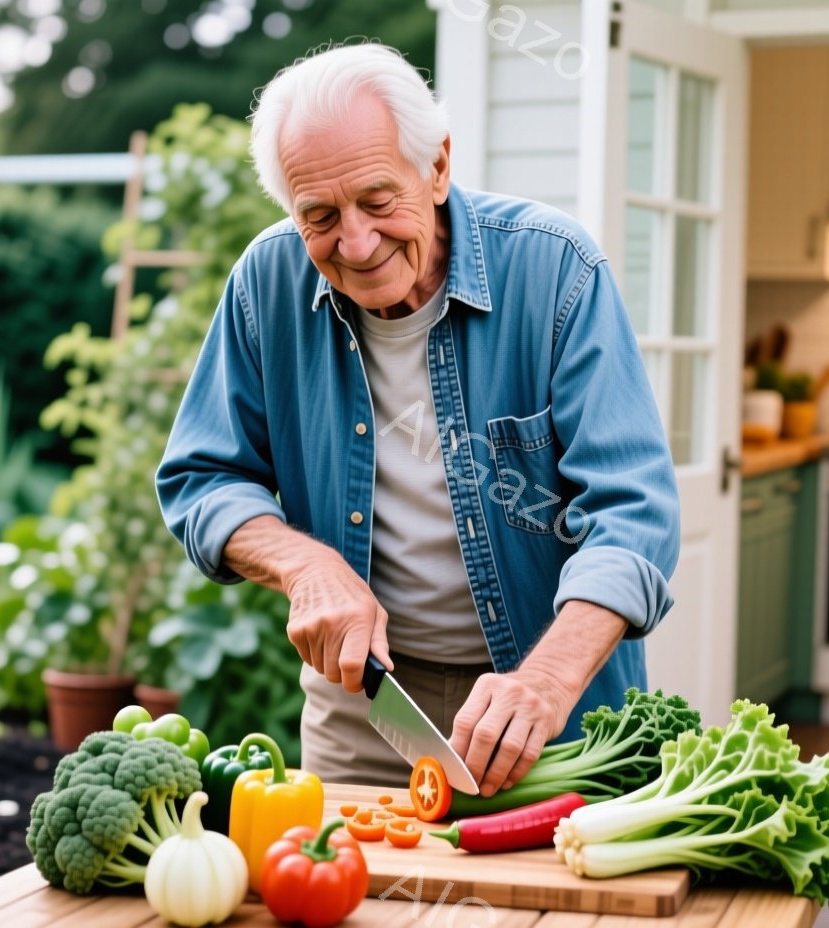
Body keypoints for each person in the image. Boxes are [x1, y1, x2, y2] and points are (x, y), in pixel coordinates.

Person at [156, 43, 679, 795]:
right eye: (320, 216)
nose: (357, 243)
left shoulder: (555, 269)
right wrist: (306, 566)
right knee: (359, 905)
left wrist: (548, 682)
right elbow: (203, 477)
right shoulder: (264, 283)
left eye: (376, 200)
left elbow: (635, 513)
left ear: (436, 167)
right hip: (368, 712)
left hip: (547, 706)